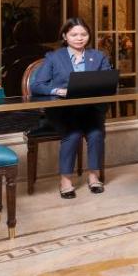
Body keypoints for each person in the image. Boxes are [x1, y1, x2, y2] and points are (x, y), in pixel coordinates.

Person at [29, 17, 112, 199]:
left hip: (90, 109)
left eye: (84, 34)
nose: (79, 38)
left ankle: (93, 176)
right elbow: (37, 85)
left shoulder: (99, 57)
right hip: (63, 110)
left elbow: (109, 81)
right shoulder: (53, 57)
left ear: (89, 35)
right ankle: (65, 180)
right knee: (73, 135)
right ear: (65, 36)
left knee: (96, 134)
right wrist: (58, 90)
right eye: (74, 34)